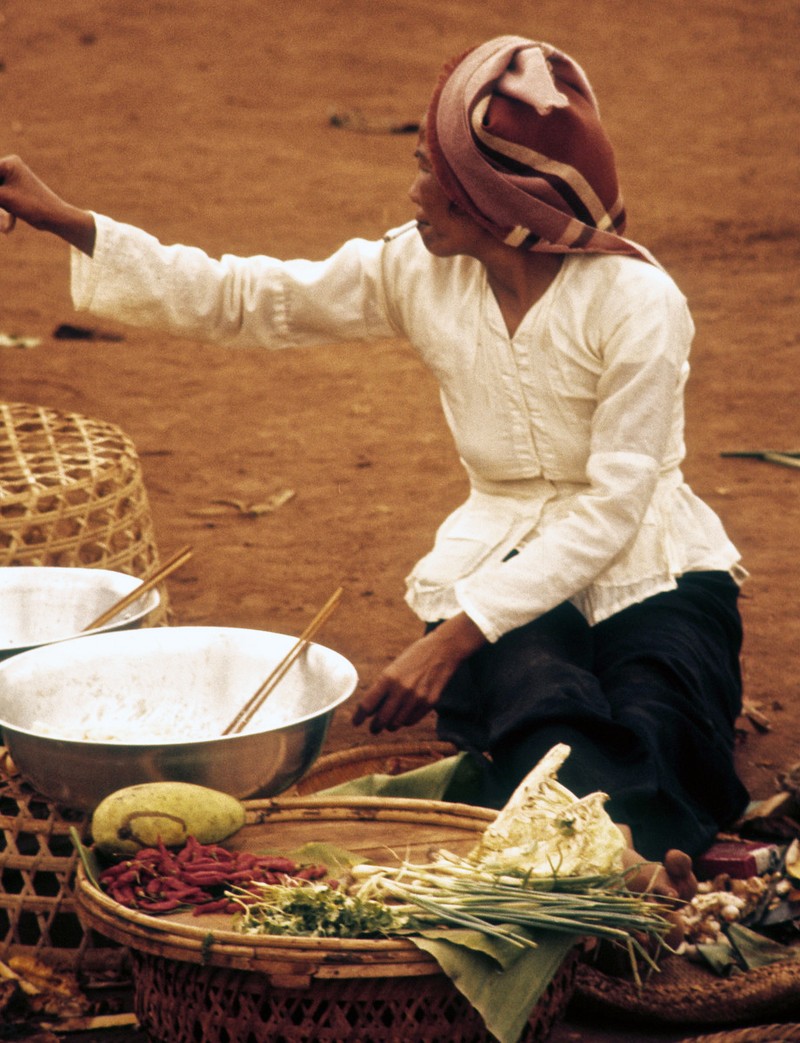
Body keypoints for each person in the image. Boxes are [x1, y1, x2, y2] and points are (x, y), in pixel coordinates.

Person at [0, 35, 749, 868]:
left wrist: (452, 637)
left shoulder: (638, 301)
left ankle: (611, 847)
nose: (414, 190)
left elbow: (614, 504)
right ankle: (638, 856)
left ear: (498, 201)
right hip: (502, 551)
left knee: (667, 710)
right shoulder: (415, 268)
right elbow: (250, 298)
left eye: (434, 171)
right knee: (546, 704)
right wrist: (70, 221)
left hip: (655, 555)